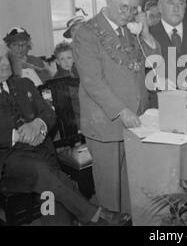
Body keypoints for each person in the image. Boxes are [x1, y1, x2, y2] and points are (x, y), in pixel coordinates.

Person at [0, 42, 131, 226]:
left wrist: (38, 125)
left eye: (5, 58)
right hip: (9, 162)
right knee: (45, 173)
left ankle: (81, 217)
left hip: (41, 155)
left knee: (50, 188)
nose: (4, 63)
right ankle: (95, 215)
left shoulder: (24, 84)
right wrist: (18, 135)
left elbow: (49, 114)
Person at [72, 0, 160, 215]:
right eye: (123, 7)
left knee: (133, 187)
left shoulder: (131, 29)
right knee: (110, 193)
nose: (128, 13)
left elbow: (154, 60)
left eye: (133, 9)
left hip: (137, 122)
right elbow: (92, 81)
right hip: (106, 124)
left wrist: (146, 31)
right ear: (108, 1)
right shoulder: (86, 32)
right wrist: (121, 110)